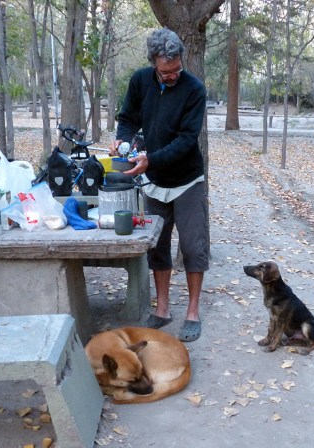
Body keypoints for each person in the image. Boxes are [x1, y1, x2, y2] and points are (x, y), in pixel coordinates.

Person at [110, 28, 208, 342]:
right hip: (154, 182)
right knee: (158, 246)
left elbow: (186, 140)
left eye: (177, 69)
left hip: (187, 180)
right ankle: (163, 308)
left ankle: (192, 311)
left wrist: (150, 159)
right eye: (166, 72)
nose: (172, 76)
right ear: (154, 63)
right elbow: (126, 118)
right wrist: (122, 142)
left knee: (193, 247)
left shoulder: (194, 90)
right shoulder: (140, 81)